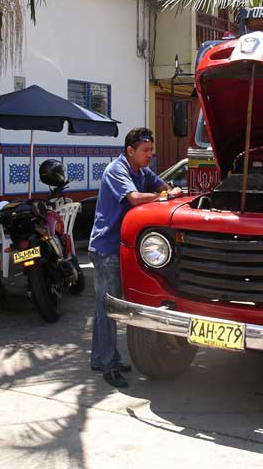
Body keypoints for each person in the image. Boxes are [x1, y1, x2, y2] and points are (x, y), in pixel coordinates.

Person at [89, 128, 183, 388]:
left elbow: (163, 186)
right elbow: (134, 199)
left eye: (151, 151)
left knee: (104, 307)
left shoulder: (141, 171)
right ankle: (109, 365)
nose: (150, 156)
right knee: (108, 309)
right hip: (106, 248)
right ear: (130, 151)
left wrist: (170, 191)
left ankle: (100, 357)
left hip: (124, 247)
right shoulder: (116, 171)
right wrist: (166, 195)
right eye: (145, 151)